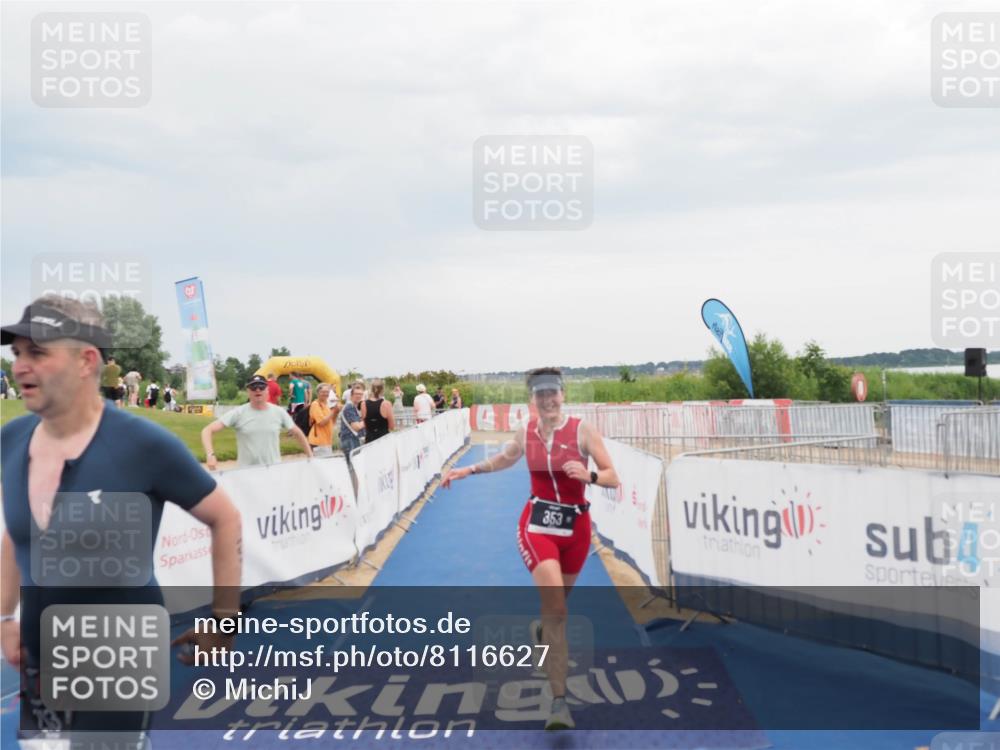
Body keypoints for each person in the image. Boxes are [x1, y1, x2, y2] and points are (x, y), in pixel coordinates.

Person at [0, 295, 243, 735]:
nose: (19, 366)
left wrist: (224, 621)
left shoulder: (143, 445)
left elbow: (224, 518)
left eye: (37, 352)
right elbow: (19, 534)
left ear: (86, 360)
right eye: (17, 353)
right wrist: (4, 618)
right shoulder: (12, 439)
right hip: (40, 651)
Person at [442, 367, 619, 731]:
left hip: (576, 528)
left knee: (557, 608)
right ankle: (559, 703)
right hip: (537, 525)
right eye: (541, 395)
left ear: (563, 395)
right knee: (558, 611)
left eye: (553, 393)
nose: (548, 400)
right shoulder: (527, 431)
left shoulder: (583, 430)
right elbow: (505, 458)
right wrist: (468, 470)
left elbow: (613, 476)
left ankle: (542, 629)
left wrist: (590, 476)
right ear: (532, 400)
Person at [202, 374, 313, 470]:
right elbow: (207, 430)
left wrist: (310, 456)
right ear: (248, 391)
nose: (258, 390)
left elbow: (297, 433)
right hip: (246, 472)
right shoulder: (238, 413)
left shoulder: (279, 412)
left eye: (261, 386)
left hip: (273, 470)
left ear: (267, 390)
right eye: (253, 387)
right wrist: (210, 455)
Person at [308, 383, 339, 457]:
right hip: (318, 441)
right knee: (322, 463)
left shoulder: (326, 404)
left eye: (327, 392)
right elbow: (321, 422)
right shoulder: (315, 404)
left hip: (326, 441)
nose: (325, 394)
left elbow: (331, 422)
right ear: (318, 393)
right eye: (323, 392)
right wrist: (333, 411)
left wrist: (336, 412)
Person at [360, 378, 395, 444]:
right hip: (383, 440)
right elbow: (392, 426)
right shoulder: (386, 404)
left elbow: (365, 423)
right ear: (382, 390)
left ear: (371, 389)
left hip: (370, 440)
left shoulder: (363, 404)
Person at [338, 382, 366, 461]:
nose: (359, 396)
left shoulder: (353, 407)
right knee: (353, 464)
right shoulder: (349, 407)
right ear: (351, 395)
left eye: (361, 394)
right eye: (357, 394)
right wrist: (367, 420)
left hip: (351, 440)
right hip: (350, 440)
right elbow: (356, 427)